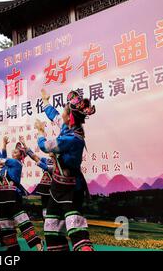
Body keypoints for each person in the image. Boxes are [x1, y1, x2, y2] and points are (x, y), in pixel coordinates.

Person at [35, 89, 95, 251]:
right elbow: (53, 115)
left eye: (64, 111)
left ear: (69, 117)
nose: (61, 114)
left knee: (76, 229)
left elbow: (45, 146)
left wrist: (40, 133)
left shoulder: (71, 138)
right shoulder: (69, 129)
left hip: (70, 188)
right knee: (52, 228)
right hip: (57, 188)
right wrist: (45, 101)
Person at [0, 136, 44, 251]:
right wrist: (3, 144)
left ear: (21, 156)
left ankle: (38, 243)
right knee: (6, 224)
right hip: (2, 198)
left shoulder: (15, 163)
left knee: (22, 221)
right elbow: (3, 158)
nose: (14, 152)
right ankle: (13, 248)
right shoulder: (7, 166)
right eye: (13, 150)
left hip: (12, 197)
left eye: (16, 151)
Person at [19, 135, 54, 240]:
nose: (50, 150)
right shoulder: (47, 160)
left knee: (54, 211)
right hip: (44, 189)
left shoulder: (60, 161)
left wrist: (40, 163)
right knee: (44, 209)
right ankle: (47, 229)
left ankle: (55, 231)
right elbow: (35, 157)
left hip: (54, 189)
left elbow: (48, 168)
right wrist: (26, 147)